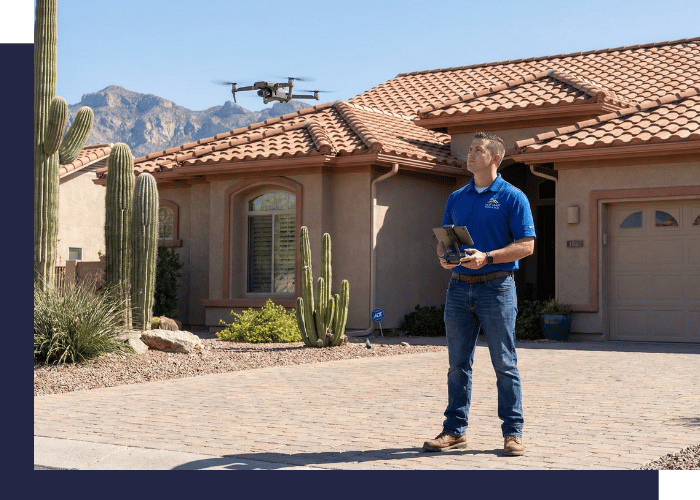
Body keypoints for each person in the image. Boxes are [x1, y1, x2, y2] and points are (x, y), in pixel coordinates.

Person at [423, 131, 535, 457]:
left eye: (477, 150)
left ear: (495, 158)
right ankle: (454, 431)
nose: (469, 154)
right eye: (469, 150)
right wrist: (445, 257)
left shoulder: (513, 197)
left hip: (497, 289)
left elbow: (526, 245)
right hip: (458, 289)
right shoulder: (457, 197)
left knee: (505, 364)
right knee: (458, 365)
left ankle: (513, 433)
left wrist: (487, 257)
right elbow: (445, 240)